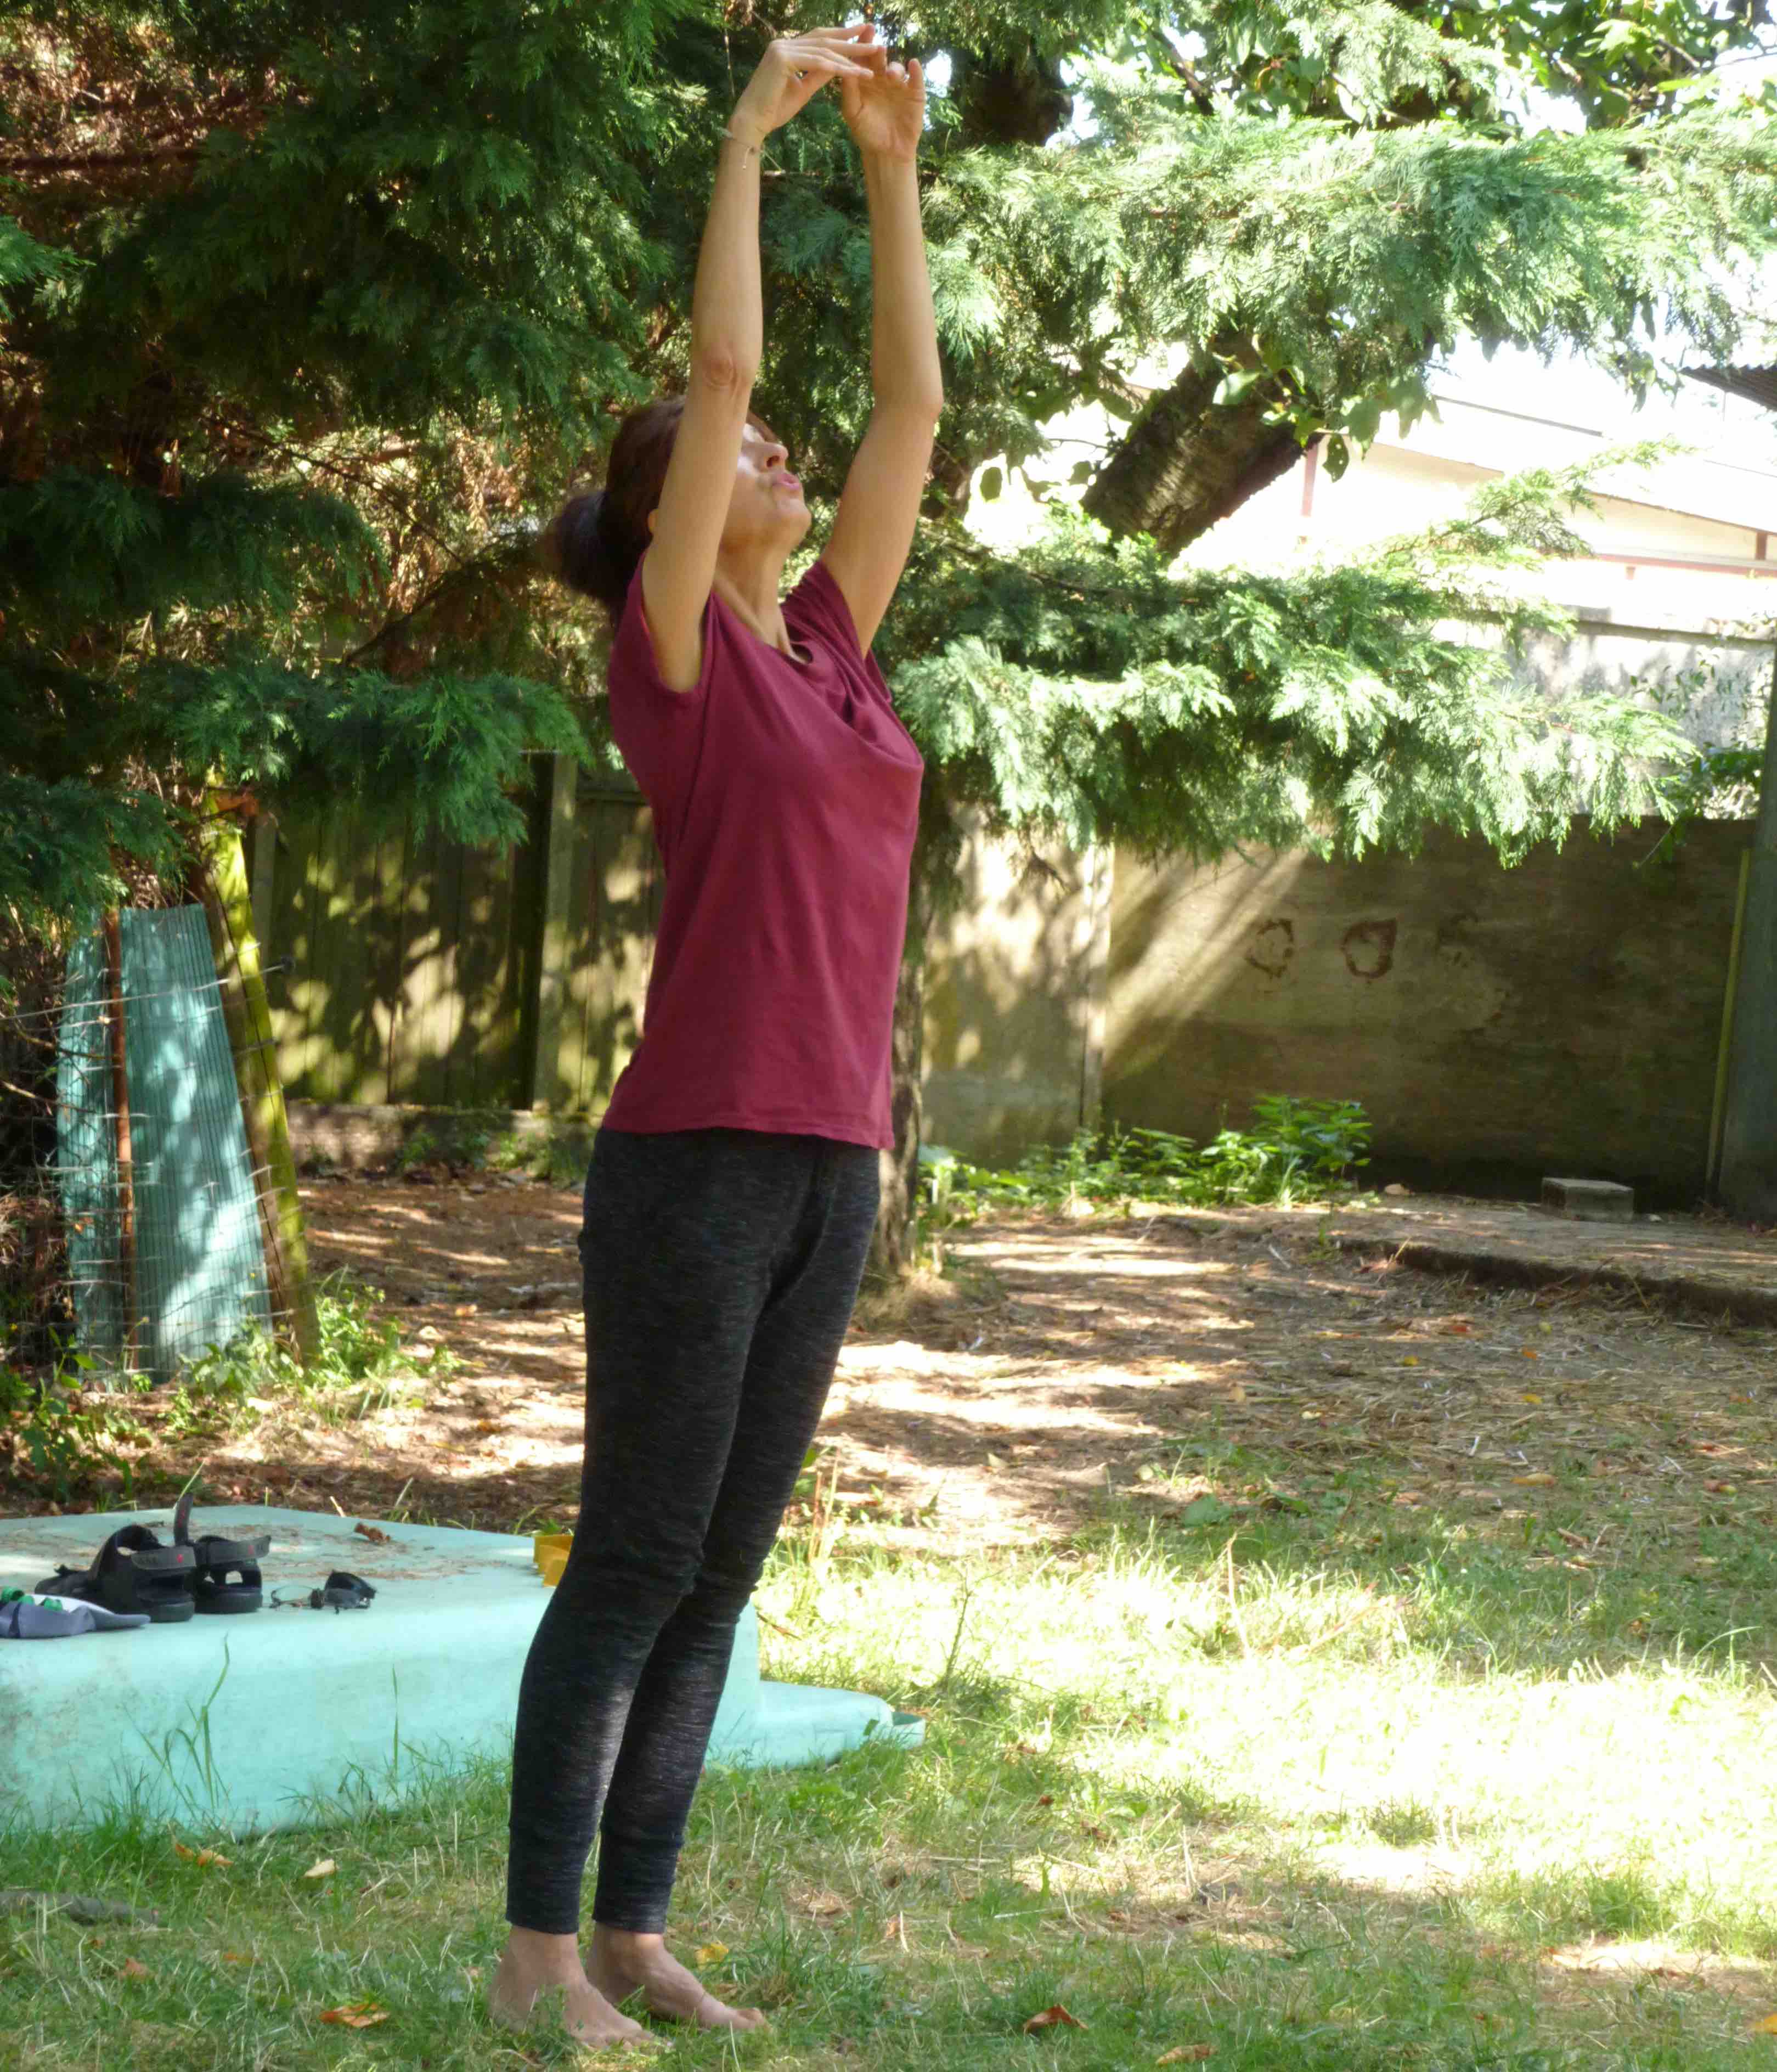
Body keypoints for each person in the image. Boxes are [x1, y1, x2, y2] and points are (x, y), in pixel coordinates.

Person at [490, 23, 942, 2048]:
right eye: (733, 457)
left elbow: (906, 420)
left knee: (725, 1571)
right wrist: (754, 137)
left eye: (764, 458)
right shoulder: (672, 655)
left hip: (834, 1160)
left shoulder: (833, 650)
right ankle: (530, 1956)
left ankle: (641, 1928)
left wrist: (895, 170)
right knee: (638, 1554)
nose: (769, 457)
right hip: (694, 1158)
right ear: (672, 513)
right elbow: (740, 368)